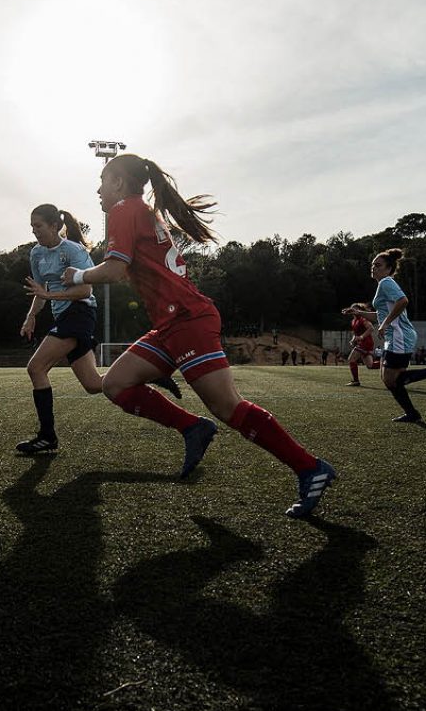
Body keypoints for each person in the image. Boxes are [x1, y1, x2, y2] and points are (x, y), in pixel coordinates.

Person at [61, 153, 337, 518]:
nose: (98, 190)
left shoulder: (123, 210)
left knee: (227, 406)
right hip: (171, 324)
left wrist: (77, 276)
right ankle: (193, 427)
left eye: (102, 180)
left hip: (187, 319)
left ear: (118, 181)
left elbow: (114, 270)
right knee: (115, 384)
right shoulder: (142, 211)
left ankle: (309, 468)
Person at [17, 203, 181, 455]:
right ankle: (151, 375)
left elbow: (85, 290)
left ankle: (47, 437)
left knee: (36, 368)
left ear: (54, 226)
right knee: (94, 385)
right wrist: (30, 317)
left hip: (80, 313)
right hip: (64, 317)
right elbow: (39, 292)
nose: (34, 231)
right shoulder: (36, 254)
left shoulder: (73, 250)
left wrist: (48, 296)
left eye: (38, 226)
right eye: (32, 227)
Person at [343, 249, 426, 423]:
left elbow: (403, 301)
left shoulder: (386, 282)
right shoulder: (384, 284)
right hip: (393, 337)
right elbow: (378, 315)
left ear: (388, 269)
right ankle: (412, 413)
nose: (373, 267)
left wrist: (386, 323)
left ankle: (412, 412)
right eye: (373, 264)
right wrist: (358, 312)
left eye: (378, 265)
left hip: (399, 336)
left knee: (391, 379)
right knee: (388, 379)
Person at [341, 303, 375, 386]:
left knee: (351, 359)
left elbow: (371, 328)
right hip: (362, 343)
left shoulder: (363, 319)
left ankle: (355, 381)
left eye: (355, 309)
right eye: (352, 309)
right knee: (370, 365)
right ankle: (387, 364)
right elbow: (356, 334)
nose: (353, 311)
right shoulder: (353, 321)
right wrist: (353, 340)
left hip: (365, 343)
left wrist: (362, 337)